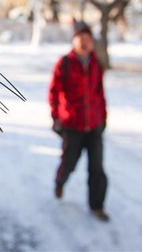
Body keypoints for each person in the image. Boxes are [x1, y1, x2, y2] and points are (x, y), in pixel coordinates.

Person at [48, 21, 109, 222]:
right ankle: (60, 181)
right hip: (72, 125)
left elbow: (100, 93)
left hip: (94, 126)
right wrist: (56, 117)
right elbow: (54, 92)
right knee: (69, 163)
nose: (84, 43)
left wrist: (103, 117)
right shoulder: (64, 63)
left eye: (88, 40)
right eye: (80, 39)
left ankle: (97, 206)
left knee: (97, 168)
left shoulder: (95, 63)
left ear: (92, 42)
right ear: (74, 41)